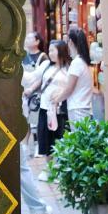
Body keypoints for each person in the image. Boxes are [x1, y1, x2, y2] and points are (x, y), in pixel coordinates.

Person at [35, 40, 70, 179]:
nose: (50, 53)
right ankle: (49, 169)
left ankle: (60, 169)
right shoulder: (46, 66)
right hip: (45, 108)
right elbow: (39, 80)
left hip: (60, 111)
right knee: (45, 138)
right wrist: (30, 89)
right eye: (49, 50)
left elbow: (70, 88)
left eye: (52, 50)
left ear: (60, 51)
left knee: (59, 138)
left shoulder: (68, 69)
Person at [53, 28, 94, 123]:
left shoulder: (77, 63)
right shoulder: (82, 61)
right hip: (82, 108)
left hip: (78, 109)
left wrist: (56, 99)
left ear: (70, 42)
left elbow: (69, 89)